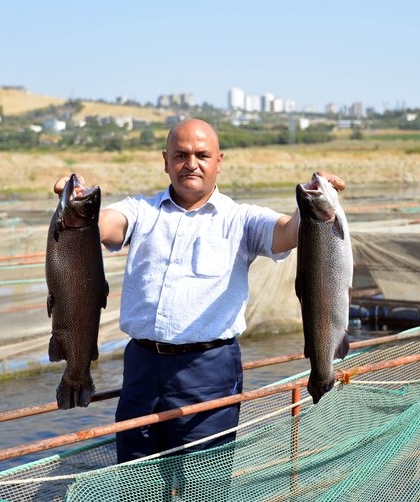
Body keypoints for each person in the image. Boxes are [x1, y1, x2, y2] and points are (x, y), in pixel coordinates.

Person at [53, 118, 345, 472]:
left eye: (202, 155)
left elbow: (289, 231)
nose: (191, 163)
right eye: (181, 155)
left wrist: (314, 204)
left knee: (203, 480)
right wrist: (79, 206)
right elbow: (102, 226)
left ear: (219, 161)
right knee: (134, 476)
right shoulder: (141, 211)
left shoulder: (241, 218)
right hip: (142, 366)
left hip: (209, 370)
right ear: (165, 161)